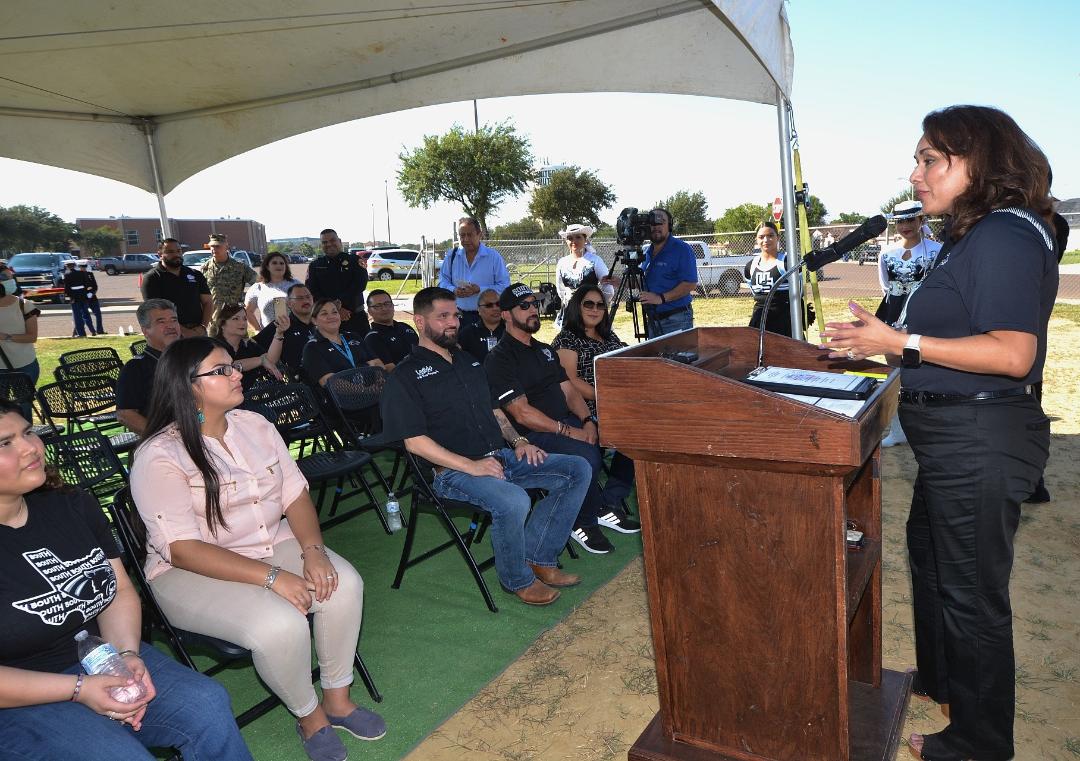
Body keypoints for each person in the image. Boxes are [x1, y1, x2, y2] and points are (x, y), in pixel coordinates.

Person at [821, 105, 1058, 761]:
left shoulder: (1005, 234)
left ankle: (981, 742)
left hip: (979, 439)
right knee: (930, 557)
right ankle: (944, 678)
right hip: (953, 441)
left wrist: (901, 341)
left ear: (978, 162)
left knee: (971, 594)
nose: (915, 173)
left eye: (930, 159)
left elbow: (1012, 352)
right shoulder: (973, 234)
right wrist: (882, 343)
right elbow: (948, 336)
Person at [130, 338, 386, 761]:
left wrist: (313, 550)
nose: (238, 374)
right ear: (189, 386)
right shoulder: (160, 455)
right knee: (279, 625)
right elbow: (182, 549)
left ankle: (338, 701)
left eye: (233, 366)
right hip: (189, 571)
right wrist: (273, 578)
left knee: (343, 585)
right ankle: (309, 717)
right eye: (222, 370)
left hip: (269, 541)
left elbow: (294, 494)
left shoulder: (256, 426)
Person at [0, 399, 254, 761]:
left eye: (27, 432)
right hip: (18, 699)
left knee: (206, 704)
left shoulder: (70, 504)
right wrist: (80, 689)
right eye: (5, 443)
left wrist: (125, 656)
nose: (30, 447)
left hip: (97, 660)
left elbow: (118, 590)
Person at [379, 287, 590, 606]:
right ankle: (517, 580)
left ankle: (539, 557)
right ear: (419, 322)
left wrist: (518, 441)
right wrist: (473, 466)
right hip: (450, 472)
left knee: (577, 469)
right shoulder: (406, 376)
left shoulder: (468, 362)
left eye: (455, 315)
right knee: (514, 500)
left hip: (499, 456)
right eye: (443, 316)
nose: (453, 322)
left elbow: (494, 410)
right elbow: (414, 442)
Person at [485, 283, 640, 555]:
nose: (533, 310)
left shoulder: (543, 350)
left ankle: (605, 504)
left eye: (534, 304)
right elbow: (522, 413)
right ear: (506, 315)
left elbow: (569, 390)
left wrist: (587, 420)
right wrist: (569, 430)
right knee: (587, 456)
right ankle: (582, 521)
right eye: (524, 306)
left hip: (566, 422)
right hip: (532, 435)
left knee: (629, 435)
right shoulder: (500, 358)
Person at [551, 284, 635, 511]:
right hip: (585, 410)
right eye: (588, 304)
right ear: (576, 307)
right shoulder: (567, 339)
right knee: (634, 430)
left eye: (600, 305)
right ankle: (609, 501)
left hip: (616, 405)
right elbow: (570, 381)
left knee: (646, 428)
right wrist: (606, 397)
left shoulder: (608, 336)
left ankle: (613, 496)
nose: (595, 309)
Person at [876, 200, 942, 447]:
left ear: (921, 220)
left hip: (925, 313)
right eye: (900, 221)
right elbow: (885, 285)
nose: (905, 226)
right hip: (893, 312)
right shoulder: (886, 253)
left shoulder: (938, 250)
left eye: (910, 220)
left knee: (926, 366)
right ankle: (898, 429)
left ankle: (930, 425)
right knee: (895, 370)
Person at [615, 208, 697, 338]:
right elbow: (645, 282)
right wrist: (619, 282)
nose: (656, 227)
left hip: (676, 319)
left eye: (661, 222)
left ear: (669, 225)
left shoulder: (681, 249)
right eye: (652, 223)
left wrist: (661, 298)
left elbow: (690, 284)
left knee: (675, 353)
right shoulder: (647, 251)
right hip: (653, 319)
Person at [116, 299, 182, 436]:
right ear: (145, 331)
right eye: (161, 322)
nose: (171, 326)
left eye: (174, 320)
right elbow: (125, 415)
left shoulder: (190, 359)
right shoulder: (135, 369)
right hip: (166, 440)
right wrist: (165, 437)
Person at [437, 217, 511, 331]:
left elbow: (505, 286)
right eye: (462, 235)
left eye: (470, 235)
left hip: (488, 319)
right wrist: (453, 290)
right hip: (459, 317)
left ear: (479, 234)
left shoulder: (493, 257)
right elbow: (442, 282)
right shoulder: (452, 256)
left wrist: (480, 290)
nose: (466, 239)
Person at [300, 298, 383, 389]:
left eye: (334, 312)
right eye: (324, 313)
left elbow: (378, 364)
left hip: (377, 392)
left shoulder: (353, 336)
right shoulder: (312, 348)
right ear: (314, 320)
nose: (331, 316)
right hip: (344, 397)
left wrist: (379, 384)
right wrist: (367, 367)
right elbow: (330, 382)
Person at [141, 238, 214, 337]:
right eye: (170, 252)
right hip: (169, 333)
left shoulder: (195, 274)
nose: (176, 255)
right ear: (160, 254)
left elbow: (208, 302)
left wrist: (203, 327)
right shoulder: (152, 278)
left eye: (179, 251)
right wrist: (183, 331)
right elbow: (155, 311)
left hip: (198, 331)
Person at [305, 229, 370, 336]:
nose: (329, 244)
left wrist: (339, 304)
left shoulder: (354, 260)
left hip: (355, 317)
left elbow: (359, 285)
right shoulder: (315, 265)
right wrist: (335, 308)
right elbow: (312, 291)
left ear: (339, 241)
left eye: (332, 240)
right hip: (327, 320)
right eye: (325, 242)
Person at [212, 304, 285, 392]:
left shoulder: (248, 344)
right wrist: (261, 360)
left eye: (245, 319)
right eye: (236, 319)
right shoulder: (214, 346)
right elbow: (227, 368)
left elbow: (271, 361)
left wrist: (279, 334)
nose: (243, 322)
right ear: (222, 325)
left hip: (254, 395)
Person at [553, 224, 612, 328]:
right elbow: (560, 289)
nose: (574, 241)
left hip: (591, 313)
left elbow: (608, 288)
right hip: (569, 313)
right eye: (570, 238)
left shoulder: (595, 260)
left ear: (585, 240)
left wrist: (598, 305)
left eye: (578, 237)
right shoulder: (562, 262)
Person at [253, 283, 318, 376]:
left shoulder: (321, 322)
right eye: (299, 298)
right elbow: (254, 346)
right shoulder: (280, 324)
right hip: (298, 379)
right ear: (289, 303)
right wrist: (264, 360)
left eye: (308, 297)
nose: (306, 300)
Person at [0, 263, 41, 389]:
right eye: (6, 278)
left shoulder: (24, 305)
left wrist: (6, 337)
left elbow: (32, 337)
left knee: (24, 401)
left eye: (11, 277)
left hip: (25, 365)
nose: (11, 281)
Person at [362, 290, 418, 372]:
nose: (384, 309)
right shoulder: (372, 338)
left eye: (387, 304)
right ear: (369, 311)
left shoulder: (405, 327)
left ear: (393, 306)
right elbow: (389, 369)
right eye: (378, 306)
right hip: (405, 377)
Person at [245, 251, 303, 331]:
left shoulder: (296, 284)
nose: (279, 265)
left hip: (296, 332)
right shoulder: (258, 287)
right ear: (267, 266)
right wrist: (258, 331)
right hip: (269, 335)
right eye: (274, 263)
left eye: (282, 263)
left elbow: (307, 305)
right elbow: (248, 312)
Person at [201, 233, 257, 315]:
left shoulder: (239, 266)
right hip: (213, 316)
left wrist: (248, 302)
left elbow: (258, 283)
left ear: (226, 247)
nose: (214, 249)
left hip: (234, 315)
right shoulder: (205, 268)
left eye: (218, 246)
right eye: (212, 246)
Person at [456, 288, 505, 362]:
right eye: (489, 305)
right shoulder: (467, 334)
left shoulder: (512, 330)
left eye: (498, 304)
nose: (495, 308)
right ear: (479, 309)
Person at [62, 260, 95, 337]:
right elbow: (87, 284)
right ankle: (92, 330)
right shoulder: (81, 273)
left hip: (74, 297)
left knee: (77, 316)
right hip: (83, 296)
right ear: (74, 266)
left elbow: (67, 288)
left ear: (67, 267)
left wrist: (69, 297)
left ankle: (81, 333)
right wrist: (85, 293)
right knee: (86, 314)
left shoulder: (66, 275)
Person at [79, 261, 106, 336]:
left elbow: (95, 286)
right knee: (84, 316)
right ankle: (89, 331)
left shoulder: (90, 274)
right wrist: (85, 293)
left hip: (93, 297)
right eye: (82, 267)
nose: (83, 268)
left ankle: (100, 330)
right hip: (84, 298)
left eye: (84, 267)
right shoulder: (77, 275)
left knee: (98, 314)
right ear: (79, 267)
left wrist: (92, 293)